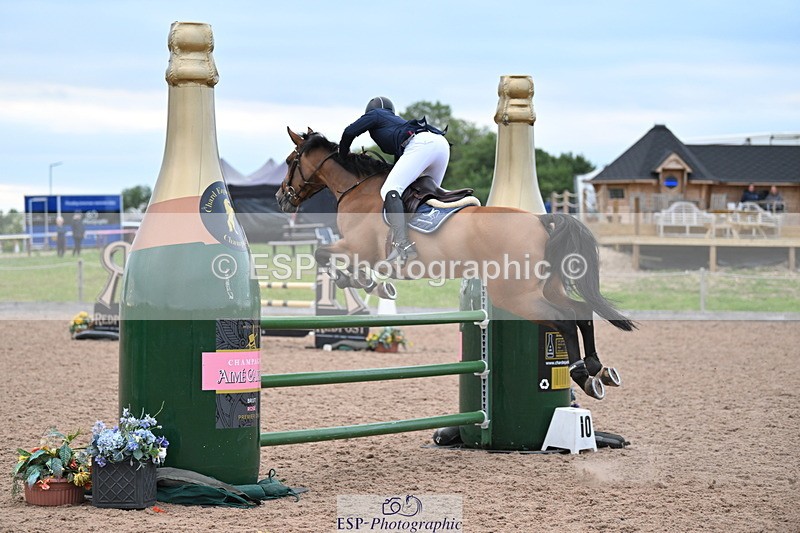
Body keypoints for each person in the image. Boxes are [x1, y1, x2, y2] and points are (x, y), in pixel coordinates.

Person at [339, 96, 449, 265]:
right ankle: (433, 239)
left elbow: (349, 132)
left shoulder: (375, 114)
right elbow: (400, 164)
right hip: (441, 144)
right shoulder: (397, 124)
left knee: (389, 190)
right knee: (429, 195)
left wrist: (342, 156)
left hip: (422, 144)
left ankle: (402, 245)